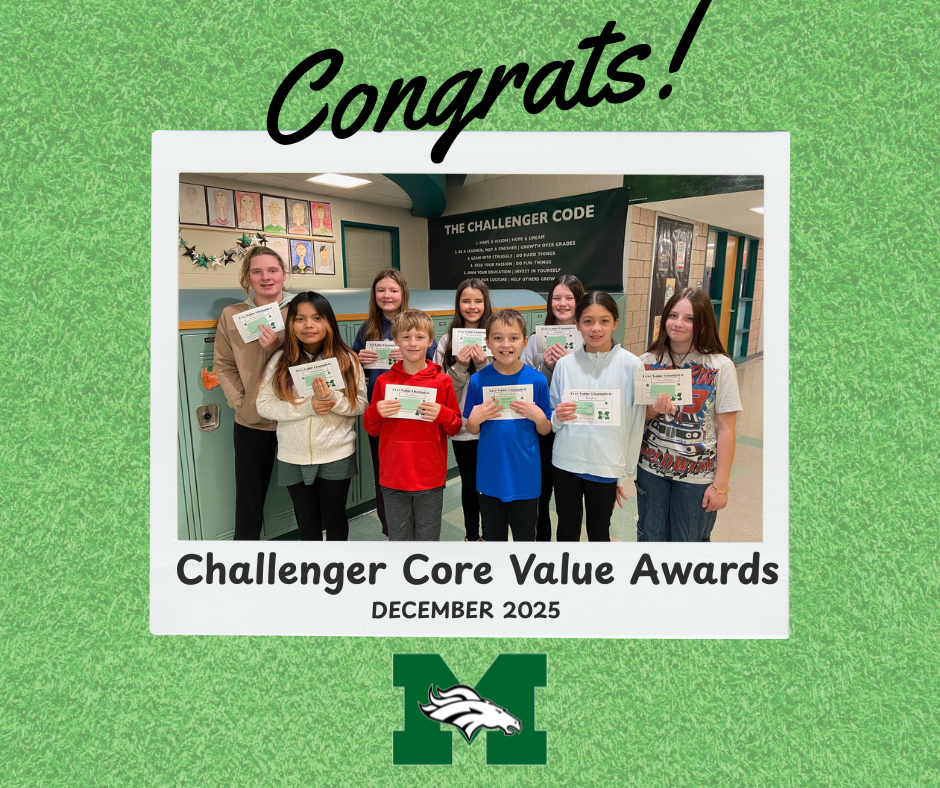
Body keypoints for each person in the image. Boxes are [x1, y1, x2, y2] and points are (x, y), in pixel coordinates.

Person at [255, 292, 367, 540]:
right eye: (300, 319)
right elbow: (263, 405)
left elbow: (359, 404)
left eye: (317, 317)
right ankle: (314, 571)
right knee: (306, 521)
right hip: (293, 456)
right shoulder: (280, 361)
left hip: (337, 453)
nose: (308, 325)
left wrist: (332, 399)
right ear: (291, 324)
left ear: (329, 321)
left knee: (335, 518)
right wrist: (308, 406)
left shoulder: (347, 359)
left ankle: (336, 571)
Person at [636, 288, 742, 542]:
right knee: (650, 537)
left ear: (703, 322)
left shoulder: (720, 366)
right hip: (651, 469)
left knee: (688, 543)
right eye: (673, 315)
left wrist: (721, 485)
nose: (678, 324)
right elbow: (637, 419)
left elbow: (727, 429)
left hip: (698, 475)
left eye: (689, 318)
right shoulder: (647, 361)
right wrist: (653, 410)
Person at [213, 246, 295, 539]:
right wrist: (239, 402)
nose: (266, 278)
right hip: (252, 422)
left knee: (306, 497)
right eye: (257, 271)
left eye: (272, 270)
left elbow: (319, 358)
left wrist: (279, 345)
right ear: (248, 277)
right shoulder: (232, 315)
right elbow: (223, 364)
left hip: (294, 418)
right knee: (249, 502)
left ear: (284, 275)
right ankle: (243, 565)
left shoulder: (301, 311)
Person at [550, 292, 645, 542]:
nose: (596, 328)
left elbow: (636, 424)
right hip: (566, 464)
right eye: (588, 321)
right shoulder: (564, 365)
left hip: (606, 465)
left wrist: (624, 472)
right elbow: (552, 420)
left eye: (604, 321)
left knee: (599, 532)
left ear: (615, 323)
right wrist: (558, 417)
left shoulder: (632, 365)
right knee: (566, 530)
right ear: (577, 325)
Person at [363, 310, 462, 541]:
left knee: (427, 539)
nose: (413, 343)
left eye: (419, 337)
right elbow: (371, 428)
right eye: (406, 337)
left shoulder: (442, 381)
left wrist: (443, 414)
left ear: (430, 341)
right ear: (396, 341)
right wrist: (375, 411)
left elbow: (455, 427)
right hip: (392, 475)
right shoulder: (384, 381)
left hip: (429, 475)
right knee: (399, 538)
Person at [352, 268, 437, 538]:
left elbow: (432, 363)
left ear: (403, 294)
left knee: (416, 469)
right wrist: (358, 360)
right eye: (381, 290)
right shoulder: (367, 329)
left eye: (393, 290)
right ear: (374, 295)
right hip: (383, 411)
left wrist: (410, 353)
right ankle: (392, 529)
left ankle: (420, 527)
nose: (386, 295)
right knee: (385, 474)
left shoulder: (416, 325)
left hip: (414, 409)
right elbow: (353, 368)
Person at [464, 309, 552, 542]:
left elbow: (545, 429)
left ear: (525, 341)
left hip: (525, 477)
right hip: (490, 476)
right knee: (494, 541)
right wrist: (474, 419)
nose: (506, 344)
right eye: (497, 338)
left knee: (525, 540)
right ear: (487, 343)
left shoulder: (537, 380)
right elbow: (472, 428)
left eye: (513, 338)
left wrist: (539, 417)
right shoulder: (478, 380)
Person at [521, 274, 585, 541]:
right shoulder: (536, 340)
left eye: (569, 298)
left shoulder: (591, 338)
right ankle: (542, 551)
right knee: (541, 494)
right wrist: (545, 368)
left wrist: (573, 365)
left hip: (576, 428)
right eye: (556, 298)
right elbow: (522, 382)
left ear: (579, 301)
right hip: (544, 428)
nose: (562, 303)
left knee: (569, 499)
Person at [433, 279, 493, 541]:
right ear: (458, 304)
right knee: (469, 484)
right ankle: (471, 536)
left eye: (478, 300)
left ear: (485, 303)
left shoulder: (495, 337)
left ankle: (490, 534)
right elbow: (442, 389)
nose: (472, 306)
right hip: (464, 427)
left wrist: (482, 367)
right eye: (466, 300)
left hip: (493, 424)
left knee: (490, 483)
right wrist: (459, 367)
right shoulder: (447, 341)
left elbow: (503, 385)